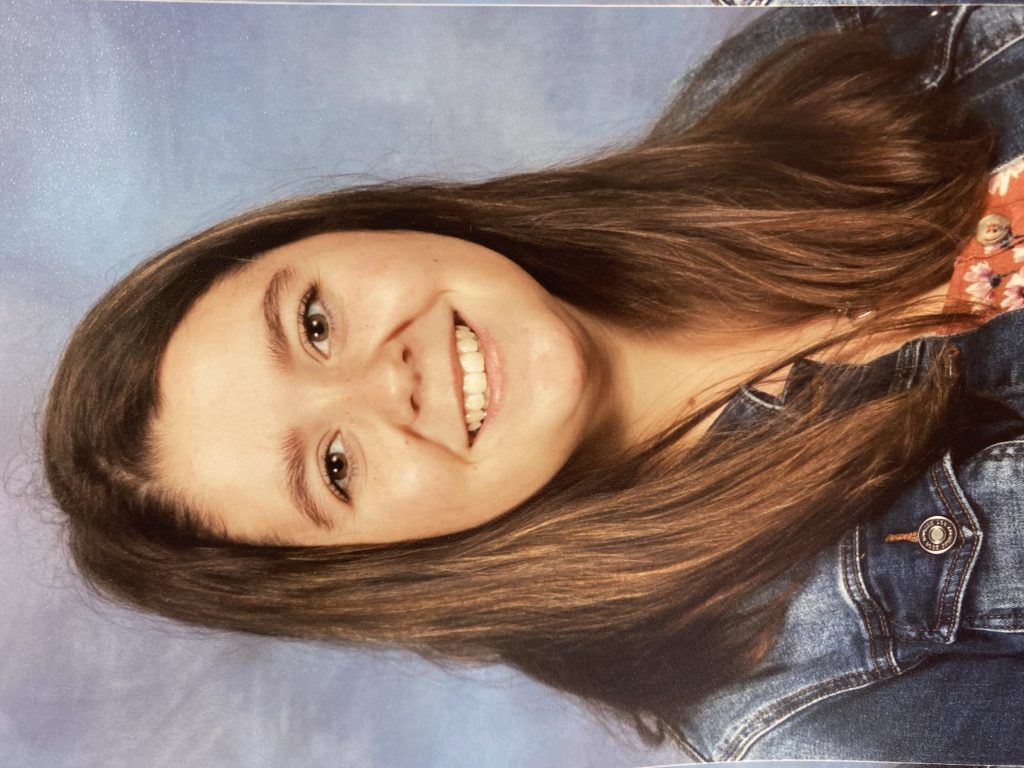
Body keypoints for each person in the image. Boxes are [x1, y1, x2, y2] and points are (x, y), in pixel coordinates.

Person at [42, 6, 1024, 763]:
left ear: (350, 227)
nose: (389, 384)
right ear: (382, 564)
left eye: (313, 323)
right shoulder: (803, 702)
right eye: (335, 467)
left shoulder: (785, 79)